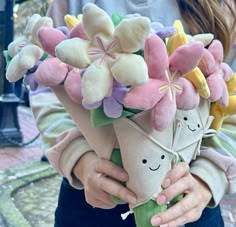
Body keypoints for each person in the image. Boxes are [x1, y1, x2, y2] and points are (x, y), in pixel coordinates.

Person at [29, 0, 236, 226]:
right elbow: (47, 85)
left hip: (191, 201)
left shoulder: (223, 7)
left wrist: (208, 176)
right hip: (91, 197)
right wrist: (79, 158)